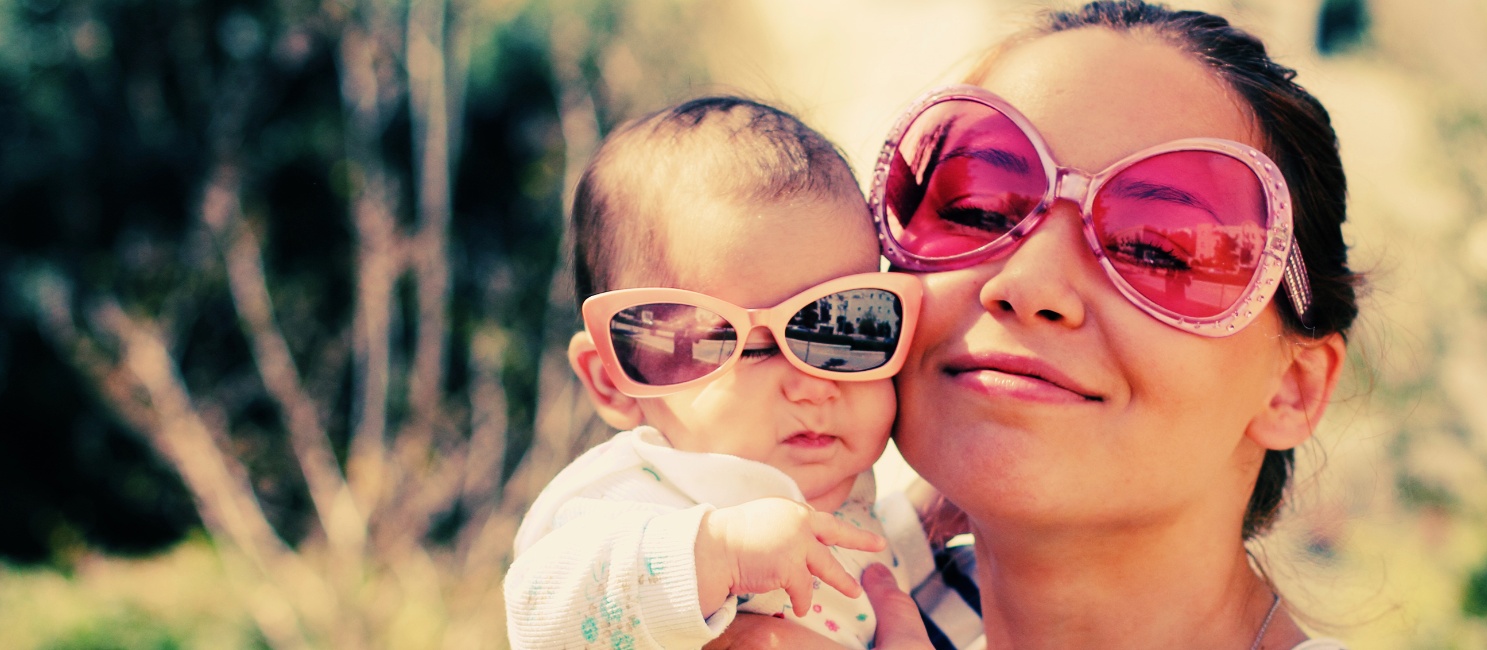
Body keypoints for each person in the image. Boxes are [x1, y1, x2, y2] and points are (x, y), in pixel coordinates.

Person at [713, 2, 1362, 648]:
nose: (1027, 285)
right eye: (976, 207)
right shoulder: (745, 596)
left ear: (1293, 389)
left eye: (1158, 247)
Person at [503, 96, 940, 650]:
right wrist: (717, 555)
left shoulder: (849, 501)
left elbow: (885, 591)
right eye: (745, 349)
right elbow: (539, 612)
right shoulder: (642, 493)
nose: (813, 384)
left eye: (848, 329)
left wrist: (939, 524)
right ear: (615, 378)